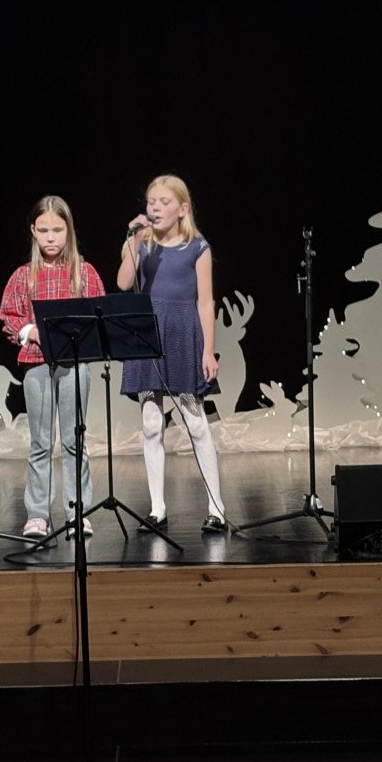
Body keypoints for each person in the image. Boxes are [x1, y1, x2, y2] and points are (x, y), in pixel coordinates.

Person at [116, 173, 227, 534]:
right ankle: (157, 509)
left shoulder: (198, 247)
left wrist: (208, 351)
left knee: (195, 422)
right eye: (152, 202)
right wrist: (135, 240)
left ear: (182, 208)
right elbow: (122, 282)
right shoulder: (141, 244)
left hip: (182, 336)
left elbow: (206, 302)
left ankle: (217, 508)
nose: (156, 208)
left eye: (164, 202)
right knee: (151, 424)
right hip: (147, 336)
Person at [0, 194, 106, 538]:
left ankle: (78, 512)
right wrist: (31, 331)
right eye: (43, 230)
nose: (50, 238)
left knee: (75, 440)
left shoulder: (83, 273)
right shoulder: (23, 276)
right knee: (41, 442)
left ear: (68, 230)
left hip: (75, 364)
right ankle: (38, 514)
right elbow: (10, 316)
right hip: (37, 364)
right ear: (33, 231)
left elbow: (99, 313)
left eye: (57, 230)